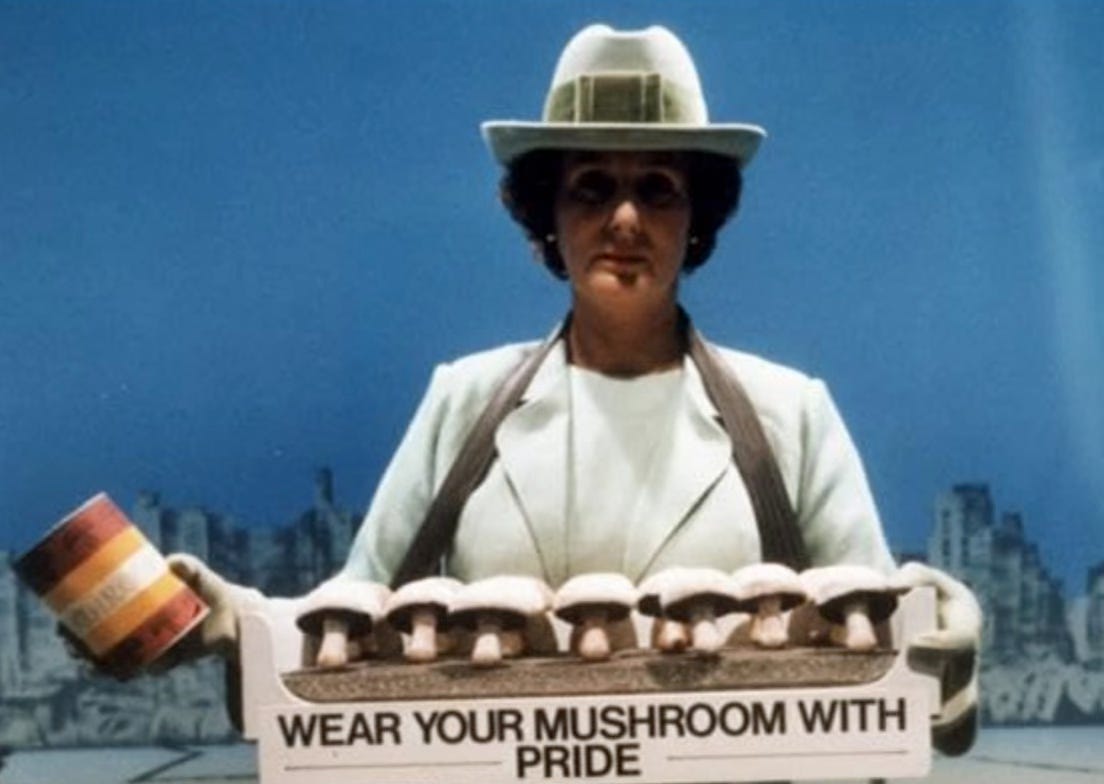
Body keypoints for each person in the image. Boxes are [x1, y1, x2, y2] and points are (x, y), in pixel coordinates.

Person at [168, 23, 980, 755]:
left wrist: (946, 644)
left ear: (698, 216)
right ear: (547, 215)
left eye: (657, 188)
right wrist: (234, 620)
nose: (624, 219)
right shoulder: (465, 401)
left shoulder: (789, 415)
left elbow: (879, 645)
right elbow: (353, 621)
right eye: (592, 186)